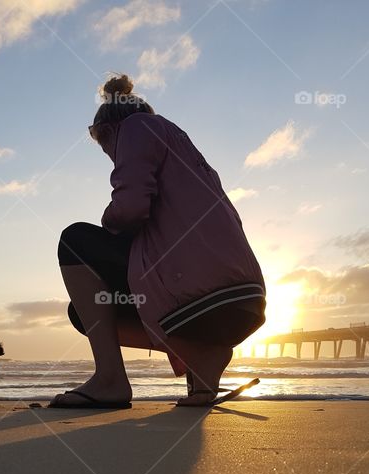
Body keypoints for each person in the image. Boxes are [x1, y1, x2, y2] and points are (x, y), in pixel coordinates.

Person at [50, 74, 266, 409]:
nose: (110, 155)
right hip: (244, 302)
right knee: (83, 312)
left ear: (107, 132)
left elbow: (131, 208)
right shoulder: (190, 158)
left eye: (104, 146)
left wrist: (109, 223)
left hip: (200, 297)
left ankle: (111, 380)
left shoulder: (138, 127)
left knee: (75, 240)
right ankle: (201, 362)